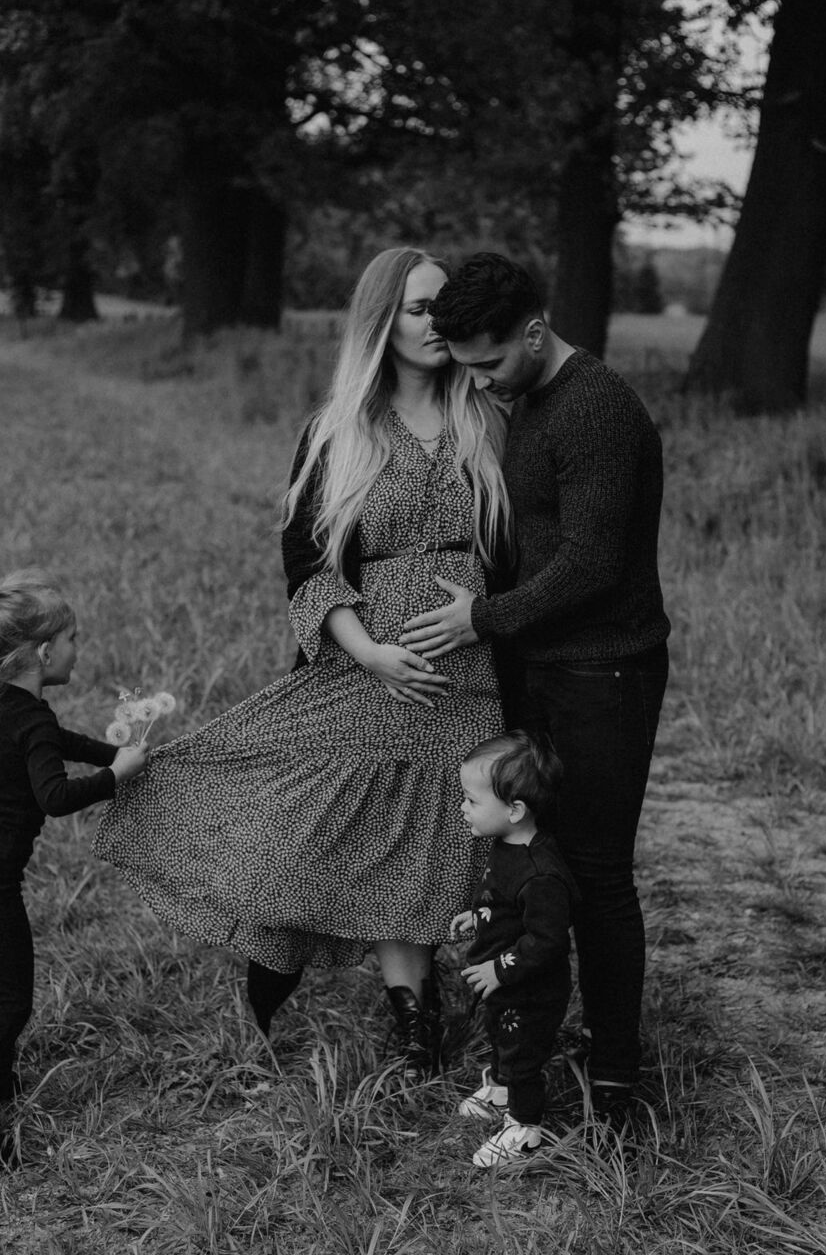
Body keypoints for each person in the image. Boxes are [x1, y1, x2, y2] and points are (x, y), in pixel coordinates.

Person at [93, 247, 512, 1072]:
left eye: (446, 307)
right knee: (304, 836)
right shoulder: (337, 433)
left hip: (469, 673)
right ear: (382, 322)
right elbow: (309, 562)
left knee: (429, 841)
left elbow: (524, 552)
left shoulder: (493, 420)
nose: (438, 324)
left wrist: (486, 619)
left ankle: (414, 1016)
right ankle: (274, 966)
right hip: (363, 669)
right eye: (420, 309)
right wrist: (371, 654)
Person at [401, 252, 670, 1128]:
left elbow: (593, 562)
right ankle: (533, 1050)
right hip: (544, 667)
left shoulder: (595, 408)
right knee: (540, 862)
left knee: (598, 873)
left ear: (533, 330)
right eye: (465, 366)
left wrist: (482, 618)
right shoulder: (526, 398)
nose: (478, 380)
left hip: (606, 671)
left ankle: (617, 1080)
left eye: (488, 362)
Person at [0, 570, 148, 1168]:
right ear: (43, 653)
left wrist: (117, 753)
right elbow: (56, 795)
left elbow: (63, 741)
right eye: (72, 639)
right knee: (11, 1001)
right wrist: (116, 777)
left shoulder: (15, 709)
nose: (77, 650)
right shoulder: (30, 720)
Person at [450, 730, 575, 1168]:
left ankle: (524, 1130)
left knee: (522, 1055)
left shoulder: (541, 875)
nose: (463, 807)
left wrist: (499, 970)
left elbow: (547, 939)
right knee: (501, 1037)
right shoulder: (506, 846)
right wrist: (480, 916)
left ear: (515, 810)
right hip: (506, 986)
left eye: (472, 800)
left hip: (531, 990)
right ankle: (501, 1090)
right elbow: (504, 902)